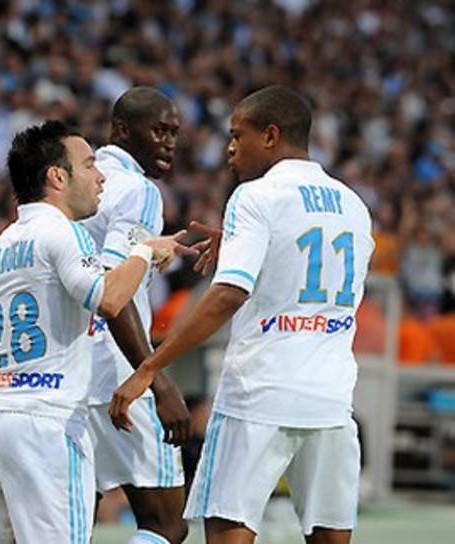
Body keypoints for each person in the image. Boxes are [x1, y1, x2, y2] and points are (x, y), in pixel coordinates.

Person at [110, 86, 374, 544]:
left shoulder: (256, 196)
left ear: (270, 136)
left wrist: (150, 367)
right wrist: (244, 245)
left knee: (228, 531)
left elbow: (227, 295)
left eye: (238, 135)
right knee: (331, 536)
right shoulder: (355, 205)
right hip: (331, 397)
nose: (229, 148)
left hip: (259, 394)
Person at [0, 120, 196, 544]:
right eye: (89, 165)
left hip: (0, 422)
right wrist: (145, 250)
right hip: (51, 422)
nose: (100, 176)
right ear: (57, 177)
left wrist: (0, 401)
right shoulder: (65, 233)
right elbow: (109, 300)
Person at [81, 86, 209, 544]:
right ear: (122, 129)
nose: (169, 142)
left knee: (75, 521)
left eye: (174, 132)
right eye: (159, 131)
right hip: (120, 375)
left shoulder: (78, 182)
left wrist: (154, 252)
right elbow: (112, 289)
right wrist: (156, 378)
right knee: (167, 524)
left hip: (70, 374)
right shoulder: (139, 190)